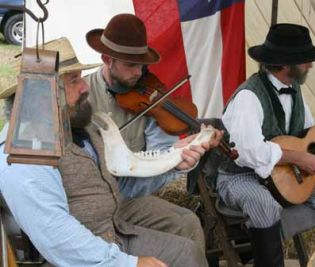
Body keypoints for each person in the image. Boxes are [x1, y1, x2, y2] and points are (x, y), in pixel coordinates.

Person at [0, 37, 218, 267]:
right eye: (74, 81)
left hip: (112, 225)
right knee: (185, 254)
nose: (85, 87)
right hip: (85, 247)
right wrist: (129, 263)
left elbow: (116, 185)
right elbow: (55, 232)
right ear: (43, 93)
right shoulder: (24, 151)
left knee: (186, 235)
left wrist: (173, 160)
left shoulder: (78, 129)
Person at [216, 24, 315, 267]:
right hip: (242, 175)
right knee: (263, 205)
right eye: (305, 60)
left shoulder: (295, 90)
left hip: (290, 176)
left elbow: (311, 136)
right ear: (285, 63)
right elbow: (248, 152)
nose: (310, 66)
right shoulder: (248, 97)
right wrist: (297, 158)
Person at [84, 13, 217, 199]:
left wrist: (175, 160)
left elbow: (159, 168)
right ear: (107, 59)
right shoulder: (82, 95)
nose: (139, 73)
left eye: (143, 66)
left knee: (187, 221)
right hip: (92, 193)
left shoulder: (153, 103)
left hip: (133, 193)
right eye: (131, 65)